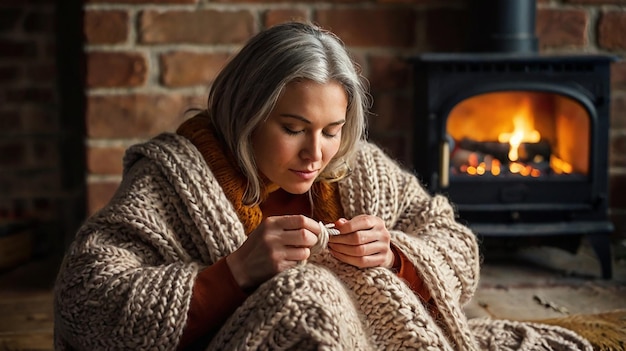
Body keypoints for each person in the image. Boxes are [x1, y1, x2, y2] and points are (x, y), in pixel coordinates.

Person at [53, 21, 595, 350]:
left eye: (332, 131)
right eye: (292, 129)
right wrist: (234, 273)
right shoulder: (172, 181)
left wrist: (397, 255)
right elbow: (86, 299)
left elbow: (453, 241)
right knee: (310, 293)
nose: (316, 154)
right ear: (246, 113)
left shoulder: (358, 170)